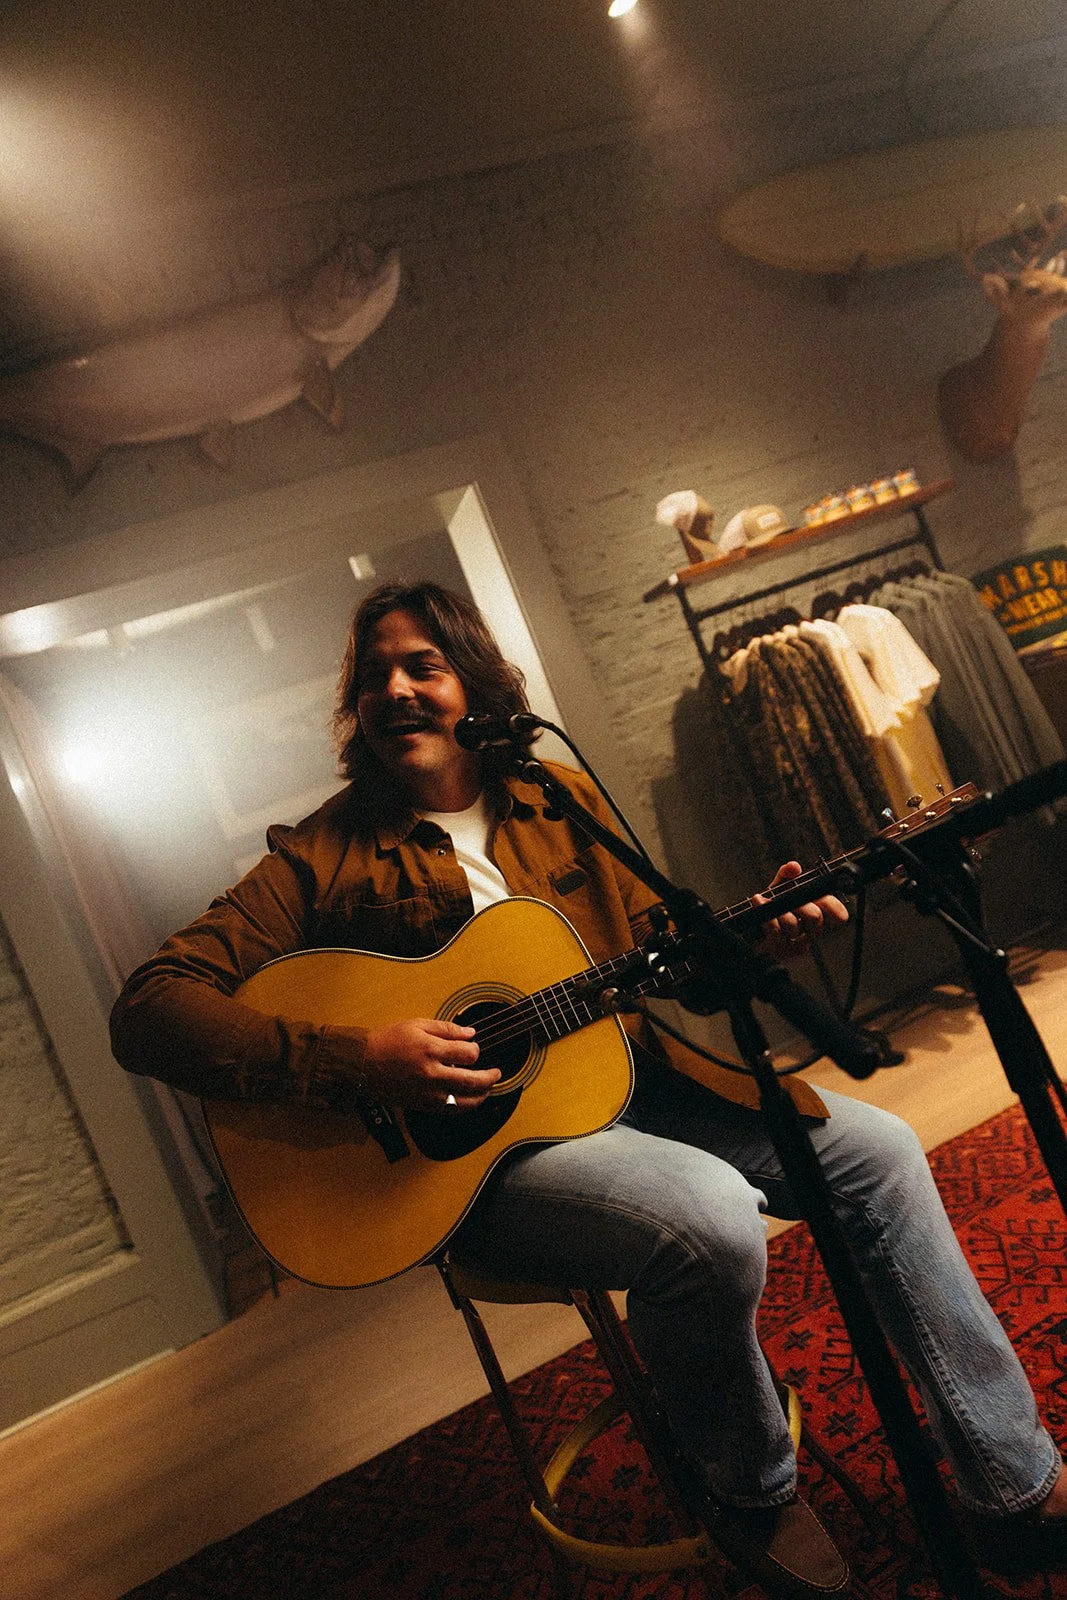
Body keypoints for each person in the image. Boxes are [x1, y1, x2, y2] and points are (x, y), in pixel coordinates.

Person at [111, 580, 1067, 1596]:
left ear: (476, 684)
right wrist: (363, 1058)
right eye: (372, 674)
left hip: (630, 1087)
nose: (393, 688)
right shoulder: (318, 857)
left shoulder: (554, 797)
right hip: (475, 1168)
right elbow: (150, 1009)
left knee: (872, 1149)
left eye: (420, 666)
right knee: (707, 1216)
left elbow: (661, 960)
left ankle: (1008, 1488)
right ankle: (749, 1490)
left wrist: (752, 940)